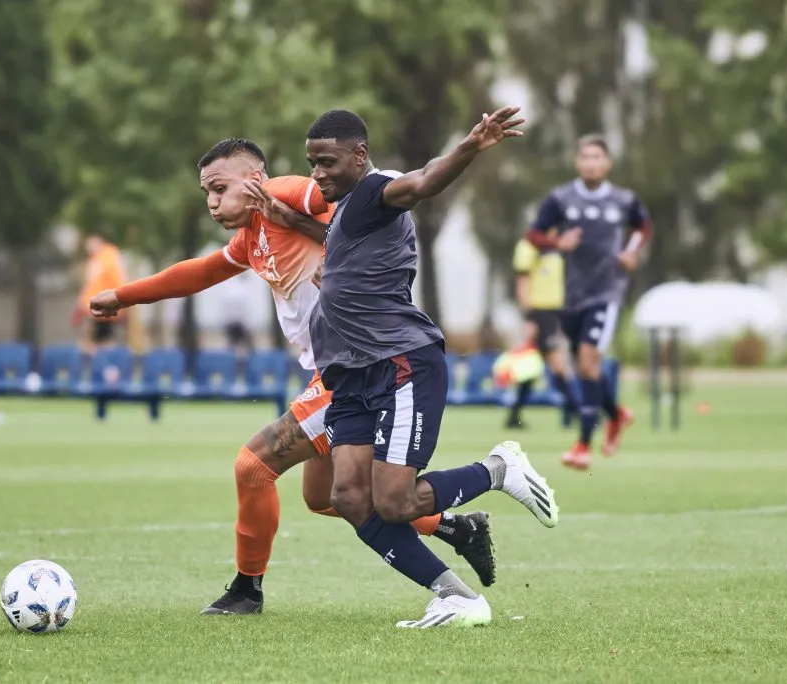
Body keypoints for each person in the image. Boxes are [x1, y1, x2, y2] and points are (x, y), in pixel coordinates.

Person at [89, 138, 495, 616]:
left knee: (253, 466)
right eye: (206, 193)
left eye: (219, 188)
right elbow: (200, 272)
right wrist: (125, 295)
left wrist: (332, 247)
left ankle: (247, 590)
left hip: (356, 366)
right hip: (336, 371)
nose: (212, 202)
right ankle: (454, 527)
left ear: (256, 180)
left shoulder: (288, 192)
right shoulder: (250, 237)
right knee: (326, 498)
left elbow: (347, 201)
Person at [304, 107, 559, 629]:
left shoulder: (377, 190)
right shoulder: (347, 212)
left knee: (394, 501)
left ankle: (497, 470)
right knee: (350, 496)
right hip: (352, 375)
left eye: (327, 161)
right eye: (311, 163)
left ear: (359, 155)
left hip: (399, 365)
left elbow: (421, 182)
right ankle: (456, 597)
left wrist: (469, 146)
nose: (317, 173)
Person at [525, 135, 651, 470]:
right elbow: (534, 235)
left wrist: (631, 252)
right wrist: (556, 243)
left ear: (607, 163)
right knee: (587, 366)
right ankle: (618, 414)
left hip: (607, 292)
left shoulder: (623, 200)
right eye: (585, 157)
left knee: (588, 359)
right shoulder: (561, 199)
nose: (591, 163)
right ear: (577, 163)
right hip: (571, 296)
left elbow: (642, 226)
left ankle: (582, 444)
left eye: (598, 157)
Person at [504, 236, 576, 429]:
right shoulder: (529, 245)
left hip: (553, 313)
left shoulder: (557, 246)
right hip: (539, 313)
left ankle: (514, 416)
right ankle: (577, 410)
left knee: (533, 366)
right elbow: (522, 283)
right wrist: (529, 317)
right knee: (555, 362)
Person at [73, 234, 128, 353]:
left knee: (103, 338)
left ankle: (105, 363)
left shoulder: (106, 257)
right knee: (98, 337)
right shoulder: (98, 258)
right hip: (98, 304)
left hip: (104, 303)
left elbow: (112, 280)